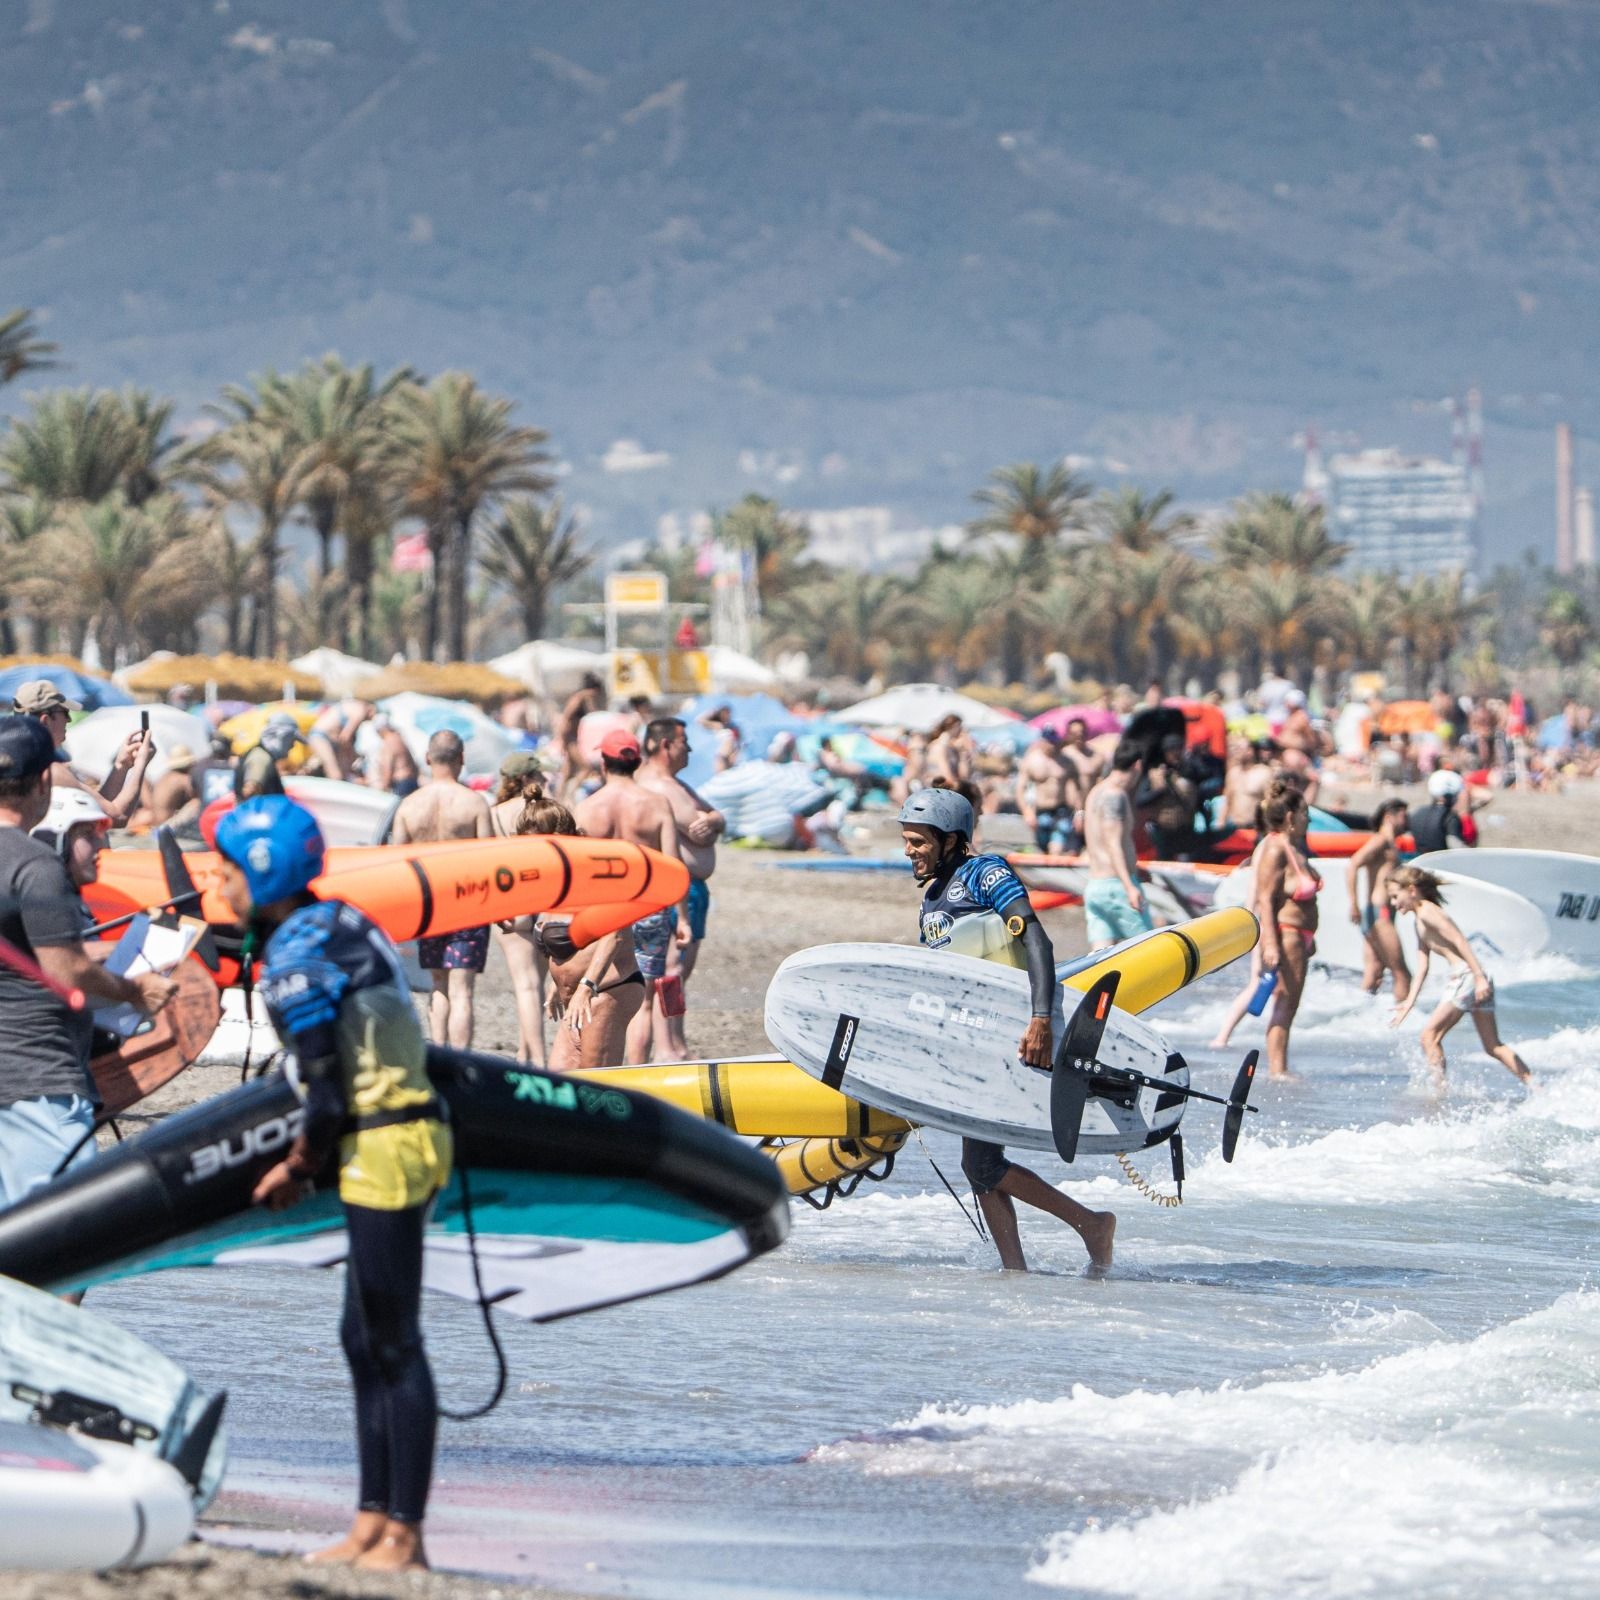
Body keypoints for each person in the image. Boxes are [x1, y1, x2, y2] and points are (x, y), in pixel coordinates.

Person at [217, 797, 451, 1574]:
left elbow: (325, 1098)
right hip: (396, 1136)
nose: (217, 879)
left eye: (227, 867)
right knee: (362, 1339)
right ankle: (370, 1523)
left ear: (264, 872)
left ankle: (407, 1535)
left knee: (393, 1341)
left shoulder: (295, 959)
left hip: (386, 1145)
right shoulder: (337, 922)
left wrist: (294, 1170)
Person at [899, 787, 1114, 1273]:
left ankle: (1091, 1225)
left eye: (918, 841)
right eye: (907, 841)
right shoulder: (931, 897)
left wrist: (1040, 1019)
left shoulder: (985, 873)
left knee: (982, 1165)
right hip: (972, 1040)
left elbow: (1035, 937)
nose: (909, 850)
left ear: (951, 839)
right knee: (979, 1165)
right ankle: (1015, 1271)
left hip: (1013, 1034)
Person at [0, 718, 176, 1209]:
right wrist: (135, 991)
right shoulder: (36, 866)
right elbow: (66, 969)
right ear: (41, 783)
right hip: (37, 1079)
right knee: (66, 1248)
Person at [574, 729, 690, 1063]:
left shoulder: (586, 808)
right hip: (647, 909)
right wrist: (681, 917)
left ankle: (600, 1060)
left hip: (601, 913)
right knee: (644, 998)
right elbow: (673, 865)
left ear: (603, 764)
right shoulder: (655, 804)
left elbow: (578, 872)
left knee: (600, 987)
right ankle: (636, 1075)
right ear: (637, 761)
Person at [521, 796, 645, 1071]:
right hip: (577, 995)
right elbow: (572, 940)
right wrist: (558, 985)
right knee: (560, 1080)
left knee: (597, 1085)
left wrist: (585, 988)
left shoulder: (595, 873)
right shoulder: (554, 880)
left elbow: (614, 934)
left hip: (607, 990)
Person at [391, 731, 493, 1048]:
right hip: (468, 900)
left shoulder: (408, 806)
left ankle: (439, 1054)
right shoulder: (474, 803)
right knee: (463, 990)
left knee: (438, 985)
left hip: (431, 904)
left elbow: (399, 863)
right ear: (461, 759)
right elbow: (490, 859)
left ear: (427, 759)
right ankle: (462, 1061)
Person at [1388, 866, 1533, 1087]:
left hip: (1467, 976)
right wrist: (1408, 1003)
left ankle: (1439, 1092)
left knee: (1429, 1036)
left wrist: (1478, 977)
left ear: (1411, 890)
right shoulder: (1419, 919)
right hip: (1471, 977)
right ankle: (1536, 1087)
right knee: (1492, 1045)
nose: (1393, 903)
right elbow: (1422, 967)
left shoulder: (1428, 912)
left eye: (1395, 896)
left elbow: (1460, 940)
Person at [637, 717, 725, 1060]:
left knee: (677, 975)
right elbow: (693, 825)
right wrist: (709, 821)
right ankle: (668, 1048)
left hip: (693, 888)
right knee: (669, 974)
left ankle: (675, 1041)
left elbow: (714, 818)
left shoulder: (677, 784)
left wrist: (715, 821)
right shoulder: (657, 787)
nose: (689, 748)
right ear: (665, 746)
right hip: (676, 889)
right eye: (683, 742)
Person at [13, 680, 154, 826]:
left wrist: (121, 766)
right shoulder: (50, 770)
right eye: (65, 712)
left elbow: (95, 806)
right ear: (46, 720)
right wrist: (140, 764)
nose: (68, 719)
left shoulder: (17, 759)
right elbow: (117, 816)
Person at [1253, 780, 1320, 1080]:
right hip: (1286, 933)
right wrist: (1269, 943)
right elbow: (1265, 899)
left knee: (1290, 1003)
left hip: (1301, 936)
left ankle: (1281, 1065)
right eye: (1305, 813)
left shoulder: (1295, 848)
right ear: (1292, 817)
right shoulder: (1276, 848)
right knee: (1285, 1002)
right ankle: (1277, 1070)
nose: (1308, 819)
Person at [488, 753, 549, 1066]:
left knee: (526, 985)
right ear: (527, 779)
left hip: (511, 903)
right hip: (546, 899)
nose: (545, 780)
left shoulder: (494, 814)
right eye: (539, 775)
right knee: (537, 984)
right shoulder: (547, 809)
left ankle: (534, 1058)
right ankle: (530, 1053)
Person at [1081, 742, 1152, 949]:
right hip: (1117, 886)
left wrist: (1134, 868)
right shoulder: (1116, 795)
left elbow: (1100, 839)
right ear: (1137, 765)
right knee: (1147, 949)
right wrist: (1129, 886)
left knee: (1099, 959)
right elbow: (1113, 844)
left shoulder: (1095, 792)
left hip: (1095, 885)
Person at [1348, 799, 1411, 1002]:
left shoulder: (1389, 842)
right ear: (1389, 817)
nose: (1407, 820)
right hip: (1380, 913)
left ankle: (1358, 1017)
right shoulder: (1381, 840)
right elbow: (1353, 864)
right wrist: (1353, 903)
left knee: (1374, 971)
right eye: (1403, 815)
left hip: (1374, 913)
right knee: (1401, 973)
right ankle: (1403, 1021)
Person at [1016, 728, 1084, 856]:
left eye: (1055, 742)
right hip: (1041, 811)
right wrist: (1026, 811)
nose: (1052, 745)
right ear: (1042, 741)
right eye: (1049, 742)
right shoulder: (1031, 760)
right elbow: (1020, 789)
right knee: (1042, 848)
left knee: (1056, 848)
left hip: (1061, 811)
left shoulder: (1067, 762)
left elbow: (1078, 789)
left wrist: (1079, 813)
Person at [556, 674, 606, 800]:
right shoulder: (577, 699)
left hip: (572, 738)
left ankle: (559, 797)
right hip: (570, 739)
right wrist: (562, 741)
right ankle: (570, 794)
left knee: (568, 772)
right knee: (585, 767)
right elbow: (565, 719)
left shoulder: (583, 699)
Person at [131, 744, 202, 831]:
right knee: (196, 803)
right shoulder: (183, 779)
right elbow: (198, 796)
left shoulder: (166, 776)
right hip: (166, 825)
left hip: (155, 822)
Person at [234, 715, 299, 800]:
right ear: (282, 737)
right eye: (291, 740)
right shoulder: (261, 757)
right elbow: (250, 790)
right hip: (258, 812)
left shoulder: (262, 755)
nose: (292, 745)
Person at [1407, 769, 1466, 853]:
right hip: (1440, 863)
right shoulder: (1449, 816)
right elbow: (1455, 845)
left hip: (1420, 861)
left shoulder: (1417, 813)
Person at [367, 715, 420, 799]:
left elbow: (387, 768)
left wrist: (384, 788)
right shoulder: (400, 739)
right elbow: (414, 764)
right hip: (412, 781)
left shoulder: (388, 743)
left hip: (401, 784)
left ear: (380, 730)